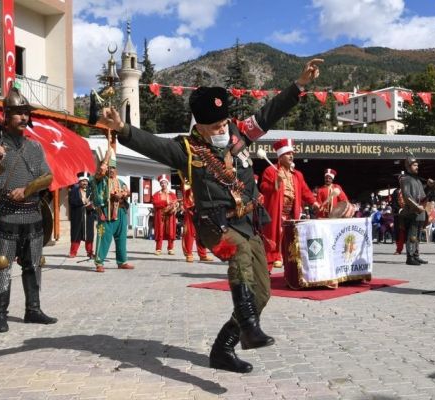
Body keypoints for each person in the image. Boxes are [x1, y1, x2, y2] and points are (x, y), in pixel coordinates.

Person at [97, 58, 324, 373]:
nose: (221, 129)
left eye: (223, 122)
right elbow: (151, 144)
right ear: (199, 125)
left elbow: (271, 112)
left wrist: (299, 84)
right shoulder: (186, 150)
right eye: (215, 126)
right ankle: (248, 326)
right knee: (240, 252)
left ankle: (223, 349)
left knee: (262, 291)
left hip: (247, 223)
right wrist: (122, 128)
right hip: (215, 227)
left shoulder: (240, 134)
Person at [0, 86, 57, 332]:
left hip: (32, 213)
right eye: (19, 113)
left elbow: (48, 177)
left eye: (26, 113)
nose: (24, 118)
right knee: (1, 263)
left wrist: (28, 189)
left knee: (34, 263)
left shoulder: (34, 147)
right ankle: (0, 314)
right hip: (6, 213)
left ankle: (33, 309)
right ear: (6, 116)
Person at [260, 138, 319, 271]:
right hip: (276, 212)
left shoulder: (297, 175)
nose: (291, 156)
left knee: (290, 243)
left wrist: (314, 202)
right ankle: (265, 273)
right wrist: (277, 181)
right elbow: (264, 188)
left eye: (292, 153)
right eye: (288, 153)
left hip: (291, 214)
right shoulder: (270, 171)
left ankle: (291, 273)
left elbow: (305, 191)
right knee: (271, 241)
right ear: (280, 156)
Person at [91, 147, 134, 272]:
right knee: (103, 236)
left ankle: (122, 261)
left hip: (120, 212)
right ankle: (99, 262)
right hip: (106, 212)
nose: (111, 170)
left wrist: (123, 194)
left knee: (121, 237)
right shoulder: (99, 180)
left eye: (113, 168)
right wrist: (106, 159)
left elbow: (128, 191)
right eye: (109, 168)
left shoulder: (120, 181)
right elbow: (99, 173)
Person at [399, 155, 434, 265]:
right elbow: (406, 196)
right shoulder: (405, 179)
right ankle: (410, 256)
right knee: (412, 235)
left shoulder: (417, 180)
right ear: (408, 166)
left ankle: (416, 255)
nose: (417, 167)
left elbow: (423, 196)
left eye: (417, 165)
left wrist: (429, 187)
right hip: (412, 211)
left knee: (418, 236)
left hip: (420, 211)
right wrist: (416, 206)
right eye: (414, 165)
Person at [178, 173, 212, 262]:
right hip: (191, 210)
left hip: (201, 209)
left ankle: (203, 254)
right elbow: (185, 193)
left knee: (201, 233)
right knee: (189, 233)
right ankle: (189, 254)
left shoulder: (203, 180)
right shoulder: (187, 181)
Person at [68, 172, 96, 258]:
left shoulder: (91, 191)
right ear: (79, 182)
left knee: (89, 235)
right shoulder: (74, 191)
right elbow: (71, 202)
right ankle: (73, 252)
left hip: (88, 215)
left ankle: (90, 252)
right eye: (83, 181)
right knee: (76, 234)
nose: (85, 183)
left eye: (86, 181)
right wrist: (82, 202)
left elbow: (95, 202)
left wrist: (91, 204)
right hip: (77, 216)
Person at [152, 174, 179, 255]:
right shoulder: (156, 194)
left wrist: (174, 206)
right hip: (160, 215)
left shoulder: (172, 194)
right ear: (160, 184)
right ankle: (158, 249)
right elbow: (155, 203)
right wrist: (165, 203)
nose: (163, 184)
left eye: (165, 183)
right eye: (162, 183)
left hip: (170, 215)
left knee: (170, 231)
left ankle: (170, 248)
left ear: (167, 184)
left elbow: (175, 203)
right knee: (159, 231)